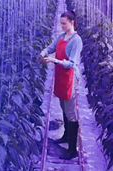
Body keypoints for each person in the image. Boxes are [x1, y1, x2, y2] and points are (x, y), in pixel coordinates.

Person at [39, 10, 83, 160]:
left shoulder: (76, 41)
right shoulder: (62, 36)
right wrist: (44, 52)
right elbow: (52, 47)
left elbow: (72, 63)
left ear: (72, 22)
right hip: (60, 76)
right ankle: (65, 136)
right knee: (63, 107)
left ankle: (72, 149)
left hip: (70, 78)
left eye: (64, 23)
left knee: (71, 113)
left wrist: (55, 61)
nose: (62, 26)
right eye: (61, 23)